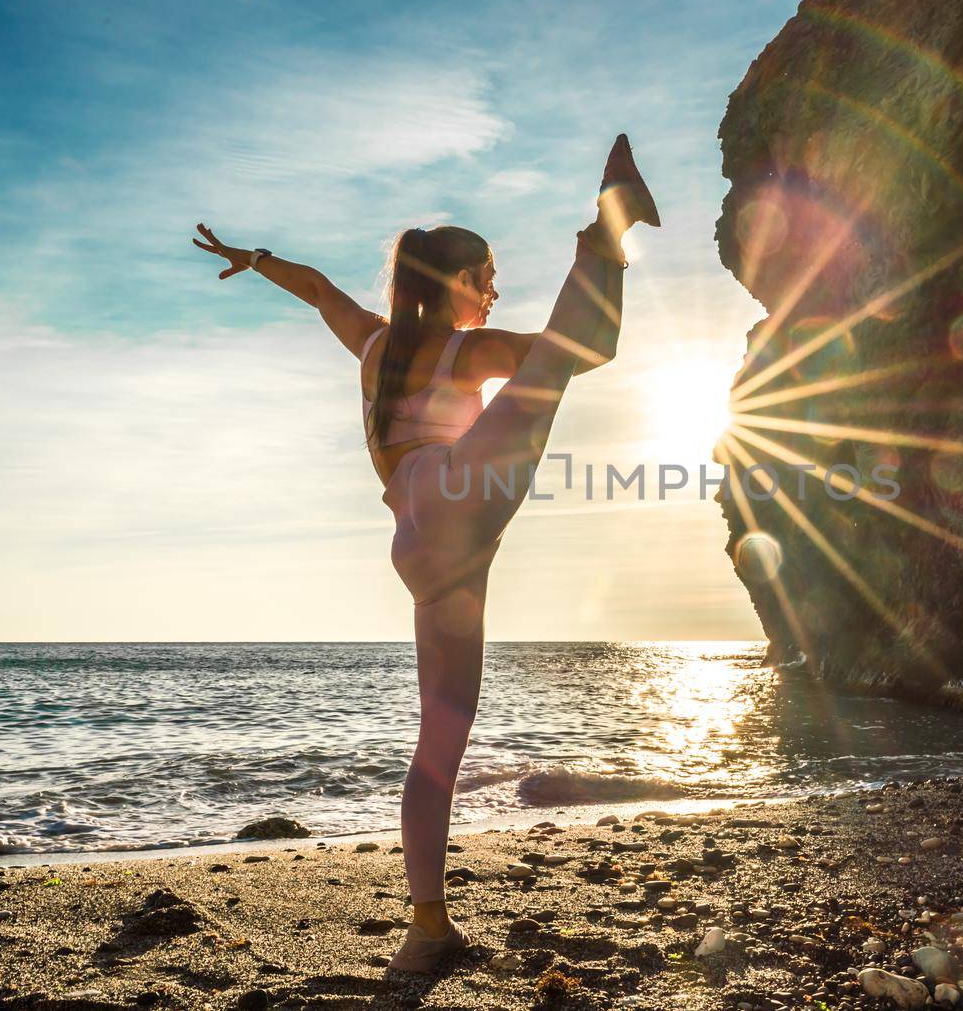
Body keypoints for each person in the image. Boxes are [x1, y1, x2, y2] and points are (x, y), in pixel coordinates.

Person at [191, 134, 659, 973]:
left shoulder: (373, 344)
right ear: (459, 285)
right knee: (569, 355)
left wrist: (253, 258)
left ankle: (428, 925)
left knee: (441, 736)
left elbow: (320, 292)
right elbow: (572, 352)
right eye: (487, 278)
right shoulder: (468, 350)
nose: (493, 289)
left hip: (420, 546)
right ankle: (606, 226)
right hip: (457, 498)